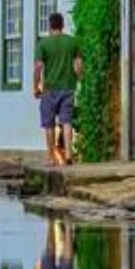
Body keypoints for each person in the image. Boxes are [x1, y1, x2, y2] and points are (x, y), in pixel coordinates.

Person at [32, 11, 82, 166]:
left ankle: (51, 157)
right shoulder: (72, 42)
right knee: (66, 122)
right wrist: (79, 77)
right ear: (62, 25)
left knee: (49, 124)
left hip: (49, 90)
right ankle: (68, 154)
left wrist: (36, 87)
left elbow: (38, 67)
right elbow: (79, 64)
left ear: (50, 26)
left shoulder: (43, 44)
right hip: (68, 87)